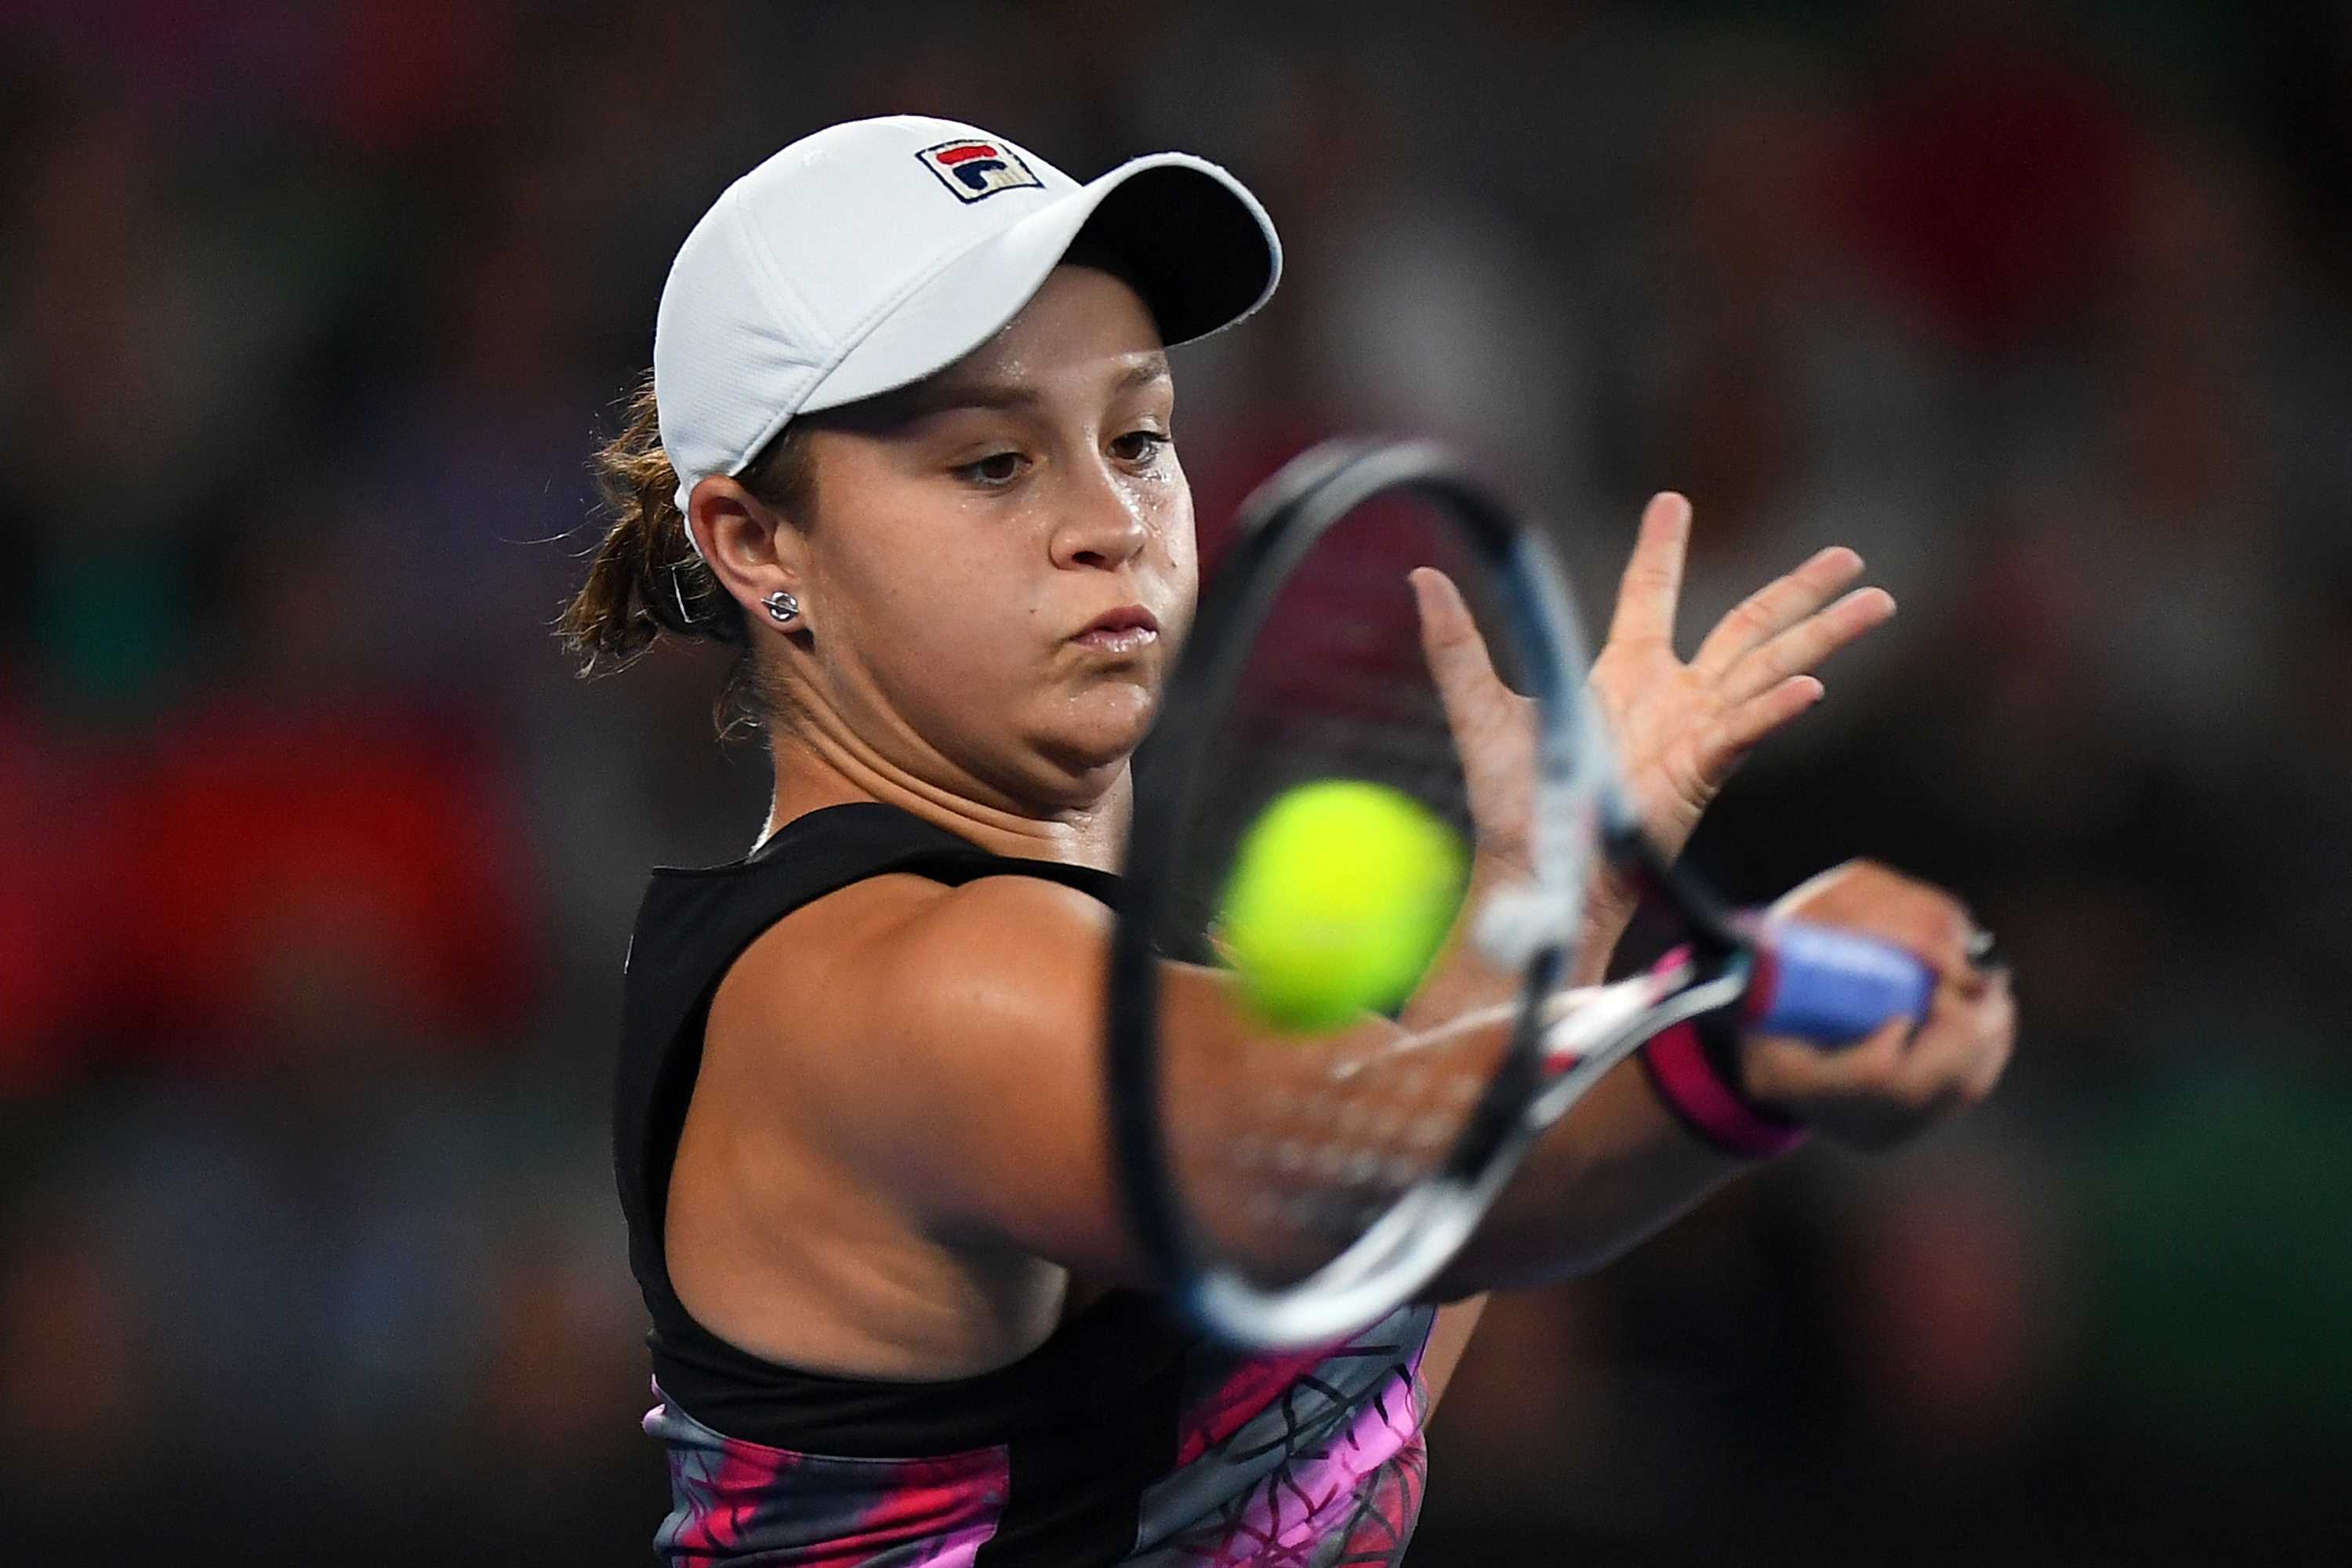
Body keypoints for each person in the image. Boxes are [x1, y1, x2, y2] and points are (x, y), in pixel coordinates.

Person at [560, 116, 2014, 1567]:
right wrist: (1744, 1021)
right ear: (756, 543)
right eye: (993, 464)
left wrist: (1554, 880)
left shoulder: (1066, 969)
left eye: (1138, 437)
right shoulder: (895, 986)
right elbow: (1344, 1165)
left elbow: (1323, 1421)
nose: (1111, 520)